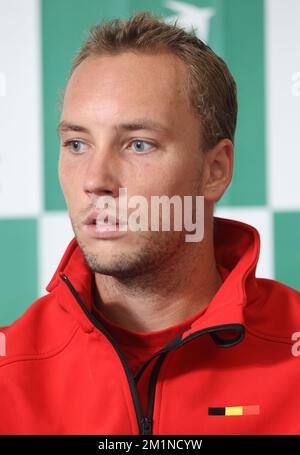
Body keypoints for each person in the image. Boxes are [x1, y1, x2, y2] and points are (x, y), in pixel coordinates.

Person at [0, 11, 299, 436]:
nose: (95, 180)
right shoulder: (9, 373)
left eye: (138, 144)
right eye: (77, 143)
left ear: (215, 169)